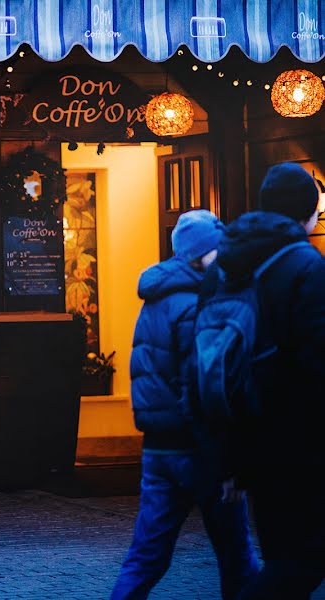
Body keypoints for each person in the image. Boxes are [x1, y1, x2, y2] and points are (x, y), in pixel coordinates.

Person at [110, 210, 260, 600]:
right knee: (238, 556)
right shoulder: (197, 302)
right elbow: (203, 382)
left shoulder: (157, 296)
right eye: (217, 248)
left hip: (159, 447)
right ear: (202, 254)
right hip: (197, 445)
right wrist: (227, 452)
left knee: (147, 555)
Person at [214, 163, 325, 599]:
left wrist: (225, 451)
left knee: (280, 550)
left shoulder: (224, 266)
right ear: (309, 212)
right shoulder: (305, 265)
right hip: (299, 440)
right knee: (305, 559)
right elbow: (317, 360)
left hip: (243, 436)